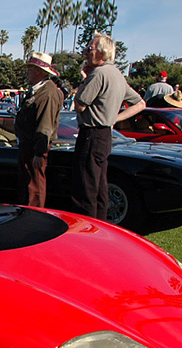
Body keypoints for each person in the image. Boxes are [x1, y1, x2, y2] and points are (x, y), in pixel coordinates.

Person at [71, 32, 145, 221]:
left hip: (91, 134)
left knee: (85, 187)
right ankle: (101, 227)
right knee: (100, 187)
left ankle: (85, 229)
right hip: (104, 136)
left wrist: (84, 79)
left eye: (90, 49)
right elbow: (140, 103)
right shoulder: (117, 75)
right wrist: (114, 119)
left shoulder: (98, 74)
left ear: (102, 52)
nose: (86, 52)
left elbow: (79, 105)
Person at [14, 52, 64, 208]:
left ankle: (33, 216)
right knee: (27, 184)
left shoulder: (47, 93)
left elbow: (45, 125)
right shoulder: (38, 90)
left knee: (34, 186)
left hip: (34, 146)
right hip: (28, 145)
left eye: (31, 69)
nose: (28, 72)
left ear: (40, 71)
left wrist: (39, 152)